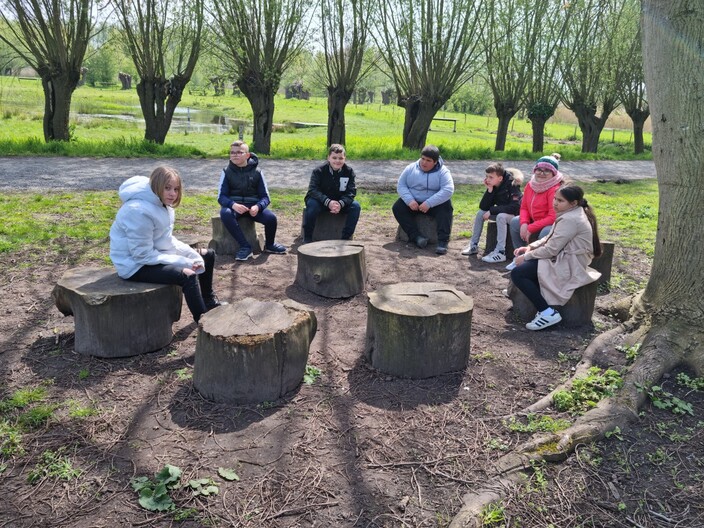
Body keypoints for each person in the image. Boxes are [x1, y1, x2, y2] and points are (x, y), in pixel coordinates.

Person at [109, 167, 226, 323]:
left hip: (152, 254)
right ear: (157, 186)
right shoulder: (137, 211)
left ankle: (208, 301)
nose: (173, 194)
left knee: (207, 255)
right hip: (134, 265)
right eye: (167, 188)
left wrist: (193, 256)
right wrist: (185, 262)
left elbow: (166, 240)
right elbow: (142, 255)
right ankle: (203, 321)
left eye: (176, 189)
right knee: (188, 275)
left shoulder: (163, 205)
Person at [510, 185, 601, 331]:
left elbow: (552, 249)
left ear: (574, 203)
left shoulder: (570, 219)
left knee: (518, 273)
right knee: (523, 268)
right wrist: (531, 247)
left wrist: (526, 256)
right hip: (563, 257)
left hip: (570, 263)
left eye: (560, 200)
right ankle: (529, 293)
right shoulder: (571, 213)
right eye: (554, 199)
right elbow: (550, 237)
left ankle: (547, 312)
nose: (555, 203)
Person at [217, 140, 286, 261]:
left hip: (253, 207)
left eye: (239, 152)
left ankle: (270, 245)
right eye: (232, 152)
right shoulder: (226, 172)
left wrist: (258, 206)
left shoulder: (258, 172)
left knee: (271, 218)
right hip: (235, 206)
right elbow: (221, 197)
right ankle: (245, 247)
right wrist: (233, 205)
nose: (235, 155)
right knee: (225, 213)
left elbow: (266, 197)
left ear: (247, 155)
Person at [392, 144, 454, 255]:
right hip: (413, 202)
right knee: (397, 207)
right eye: (423, 159)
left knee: (446, 207)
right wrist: (409, 200)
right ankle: (416, 237)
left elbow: (448, 189)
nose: (424, 162)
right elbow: (401, 185)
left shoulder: (443, 172)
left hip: (433, 203)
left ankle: (442, 242)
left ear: (435, 162)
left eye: (428, 160)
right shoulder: (410, 168)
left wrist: (429, 203)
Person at [506, 153, 564, 271]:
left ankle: (536, 264)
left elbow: (553, 216)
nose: (542, 173)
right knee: (515, 222)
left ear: (554, 173)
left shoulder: (555, 189)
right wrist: (524, 224)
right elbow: (524, 207)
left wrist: (530, 228)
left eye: (547, 171)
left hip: (551, 223)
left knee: (546, 232)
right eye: (539, 169)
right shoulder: (530, 185)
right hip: (534, 220)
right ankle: (519, 257)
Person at [461, 163, 523, 262]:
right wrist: (489, 190)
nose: (487, 179)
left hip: (515, 217)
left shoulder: (513, 185)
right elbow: (483, 207)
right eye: (486, 176)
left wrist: (492, 211)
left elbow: (515, 207)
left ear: (500, 178)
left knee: (501, 217)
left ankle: (500, 252)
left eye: (491, 177)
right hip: (501, 213)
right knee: (480, 213)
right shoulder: (494, 185)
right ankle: (473, 245)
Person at [303, 144, 361, 243]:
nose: (337, 161)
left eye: (340, 158)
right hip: (320, 201)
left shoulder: (349, 172)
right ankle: (307, 238)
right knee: (312, 206)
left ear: (344, 158)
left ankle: (345, 239)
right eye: (334, 158)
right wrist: (328, 202)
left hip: (339, 203)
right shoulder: (318, 171)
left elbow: (351, 192)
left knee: (356, 207)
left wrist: (340, 203)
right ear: (328, 158)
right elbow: (313, 190)